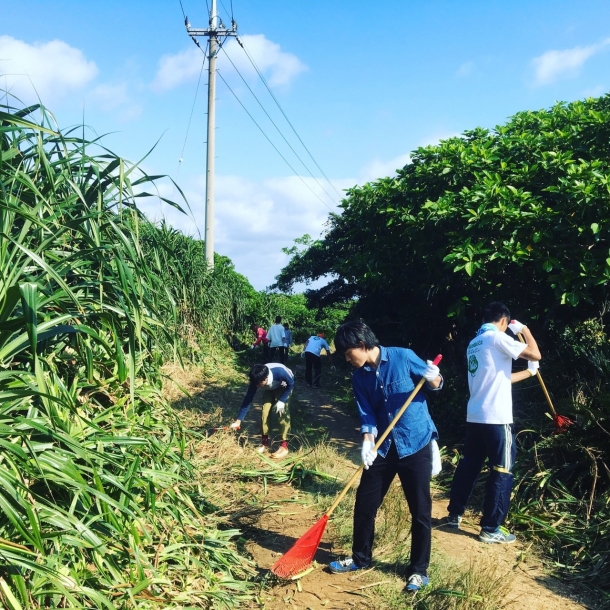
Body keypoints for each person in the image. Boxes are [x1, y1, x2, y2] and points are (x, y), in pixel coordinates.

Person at [328, 320, 442, 593]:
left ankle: (418, 571)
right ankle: (360, 558)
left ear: (362, 345)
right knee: (365, 502)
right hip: (383, 445)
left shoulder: (403, 357)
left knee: (420, 511)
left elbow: (434, 385)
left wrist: (434, 376)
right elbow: (366, 411)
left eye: (347, 353)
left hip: (415, 442)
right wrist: (367, 441)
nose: (347, 360)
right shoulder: (359, 377)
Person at [445, 301, 541, 544]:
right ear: (504, 321)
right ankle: (490, 528)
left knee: (469, 465)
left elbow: (499, 378)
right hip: (497, 418)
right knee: (502, 470)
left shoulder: (475, 343)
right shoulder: (497, 337)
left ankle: (454, 515)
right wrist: (525, 330)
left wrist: (529, 372)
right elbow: (535, 353)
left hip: (476, 415)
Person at [229, 362, 294, 459]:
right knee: (265, 412)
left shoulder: (280, 373)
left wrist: (282, 401)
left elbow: (291, 383)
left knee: (282, 413)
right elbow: (248, 399)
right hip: (269, 388)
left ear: (266, 378)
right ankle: (264, 444)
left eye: (259, 384)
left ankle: (284, 447)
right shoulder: (256, 380)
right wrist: (238, 421)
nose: (257, 386)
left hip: (283, 386)